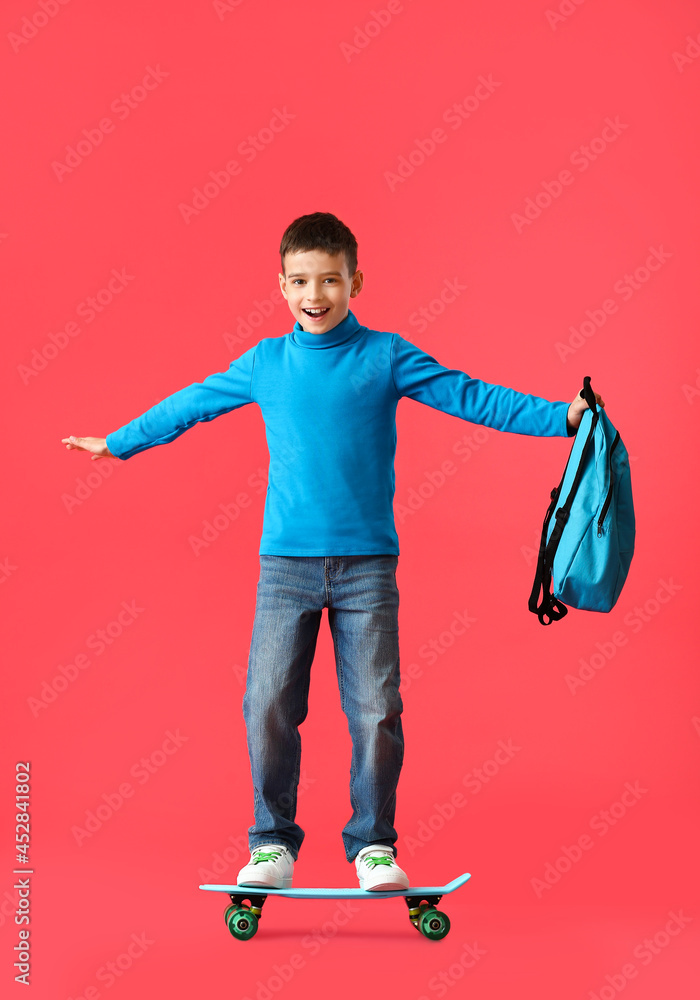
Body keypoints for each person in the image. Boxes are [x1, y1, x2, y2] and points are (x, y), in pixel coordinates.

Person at [62, 211, 604, 891]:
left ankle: (373, 844)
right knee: (266, 703)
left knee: (377, 708)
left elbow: (471, 396)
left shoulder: (386, 356)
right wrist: (118, 441)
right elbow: (192, 403)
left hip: (367, 569)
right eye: (299, 281)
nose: (313, 293)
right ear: (281, 286)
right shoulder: (265, 363)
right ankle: (271, 843)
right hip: (285, 569)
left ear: (356, 281)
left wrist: (562, 415)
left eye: (329, 279)